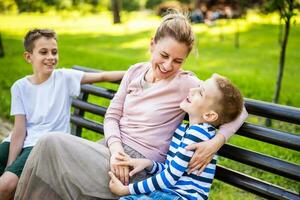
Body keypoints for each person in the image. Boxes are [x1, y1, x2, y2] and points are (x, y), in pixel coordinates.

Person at [15, 12, 247, 200]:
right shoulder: (135, 71)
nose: (168, 66)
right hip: (110, 151)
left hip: (138, 168)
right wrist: (116, 150)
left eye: (178, 61)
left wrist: (216, 142)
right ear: (152, 45)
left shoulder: (186, 83)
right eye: (164, 55)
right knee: (50, 171)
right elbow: (112, 116)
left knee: (49, 143)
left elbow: (241, 110)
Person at [0, 29, 125, 200]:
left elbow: (102, 76)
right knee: (7, 178)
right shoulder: (20, 87)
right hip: (17, 141)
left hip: (41, 144)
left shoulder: (64, 78)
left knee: (6, 185)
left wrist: (136, 71)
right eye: (43, 52)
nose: (51, 57)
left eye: (54, 52)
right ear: (29, 57)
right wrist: (10, 164)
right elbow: (19, 130)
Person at [108, 74, 244, 200]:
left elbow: (170, 178)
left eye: (200, 93)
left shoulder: (199, 134)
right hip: (168, 193)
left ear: (209, 115)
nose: (192, 90)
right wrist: (149, 164)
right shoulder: (183, 129)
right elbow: (172, 170)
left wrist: (126, 189)